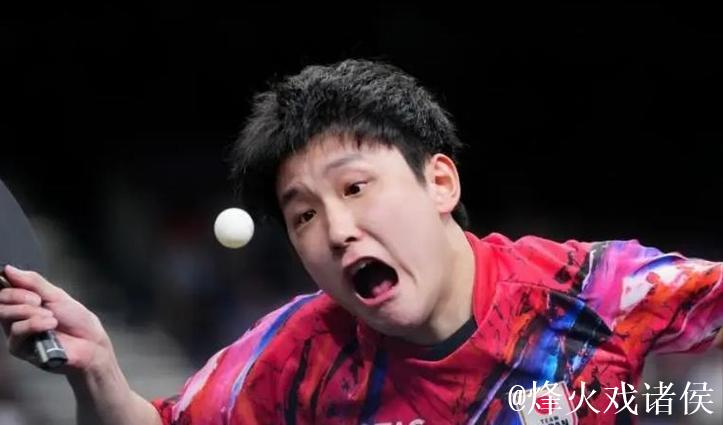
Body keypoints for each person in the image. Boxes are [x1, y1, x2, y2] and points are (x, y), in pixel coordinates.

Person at [1, 59, 722, 425]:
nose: (337, 230)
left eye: (354, 188)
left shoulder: (588, 292)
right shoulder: (299, 354)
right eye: (303, 215)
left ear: (439, 182)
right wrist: (97, 370)